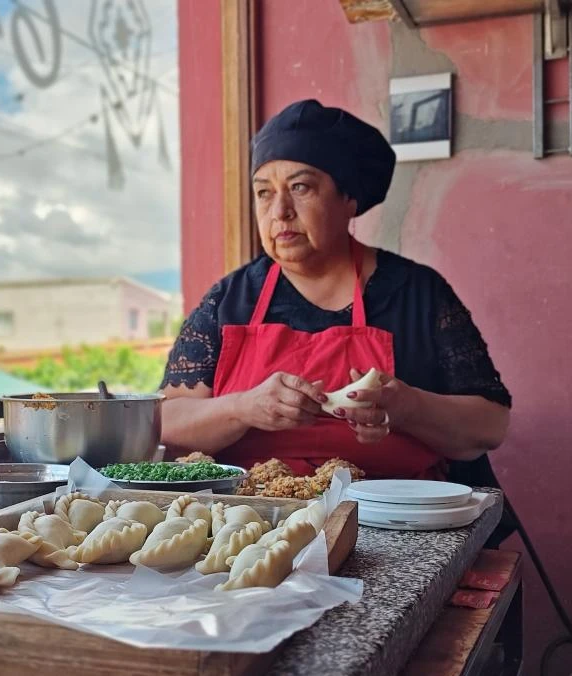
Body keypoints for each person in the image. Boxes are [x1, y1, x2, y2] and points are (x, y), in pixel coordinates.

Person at [159, 99, 511, 487]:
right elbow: (166, 422)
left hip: (392, 516)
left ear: (349, 199)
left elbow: (490, 425)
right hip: (253, 515)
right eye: (264, 192)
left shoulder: (416, 294)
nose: (279, 211)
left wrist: (407, 407)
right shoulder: (229, 300)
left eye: (300, 187)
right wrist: (243, 408)